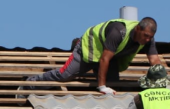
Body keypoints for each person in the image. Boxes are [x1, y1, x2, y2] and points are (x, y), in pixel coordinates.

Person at [21, 17, 162, 96]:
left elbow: (154, 60)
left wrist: (162, 83)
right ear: (138, 29)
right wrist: (101, 86)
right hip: (88, 48)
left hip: (110, 57)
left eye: (151, 37)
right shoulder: (119, 31)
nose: (148, 40)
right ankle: (28, 85)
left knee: (113, 89)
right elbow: (104, 58)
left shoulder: (148, 40)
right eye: (146, 36)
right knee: (65, 75)